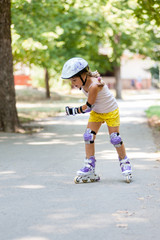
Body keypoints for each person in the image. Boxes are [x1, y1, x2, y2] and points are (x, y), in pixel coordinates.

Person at [61, 57, 132, 183]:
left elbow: (88, 107)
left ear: (83, 75)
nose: (73, 83)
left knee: (115, 138)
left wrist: (72, 111)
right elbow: (92, 108)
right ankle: (89, 166)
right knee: (88, 136)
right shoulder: (83, 84)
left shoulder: (94, 85)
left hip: (111, 111)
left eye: (74, 80)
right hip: (97, 113)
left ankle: (124, 162)